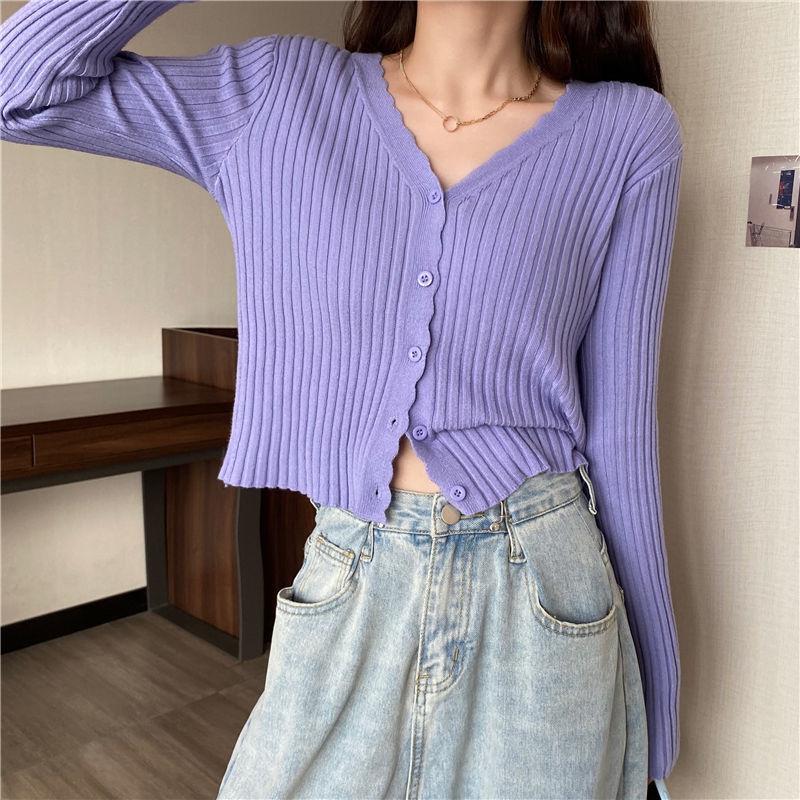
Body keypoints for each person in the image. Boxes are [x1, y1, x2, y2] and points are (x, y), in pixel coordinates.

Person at [0, 0, 684, 797]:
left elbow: (623, 439)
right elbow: (20, 89)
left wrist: (654, 712)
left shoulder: (628, 132)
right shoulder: (276, 95)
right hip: (354, 566)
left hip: (547, 589)